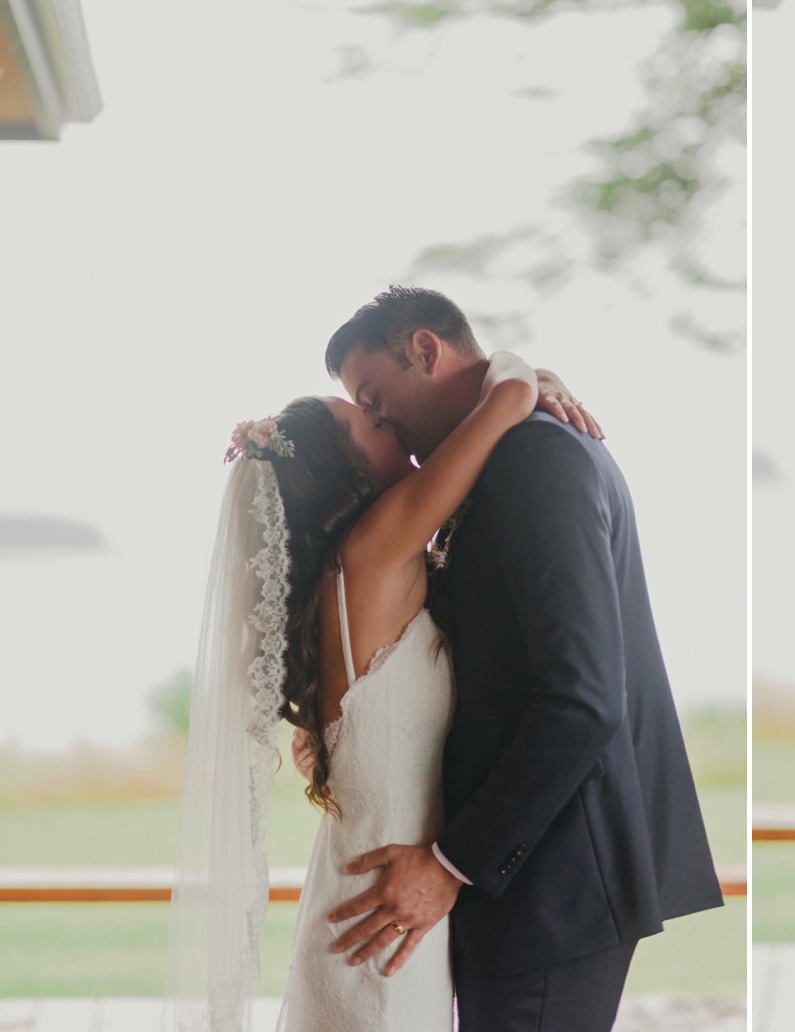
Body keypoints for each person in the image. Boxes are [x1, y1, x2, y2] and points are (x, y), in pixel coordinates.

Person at [164, 315, 602, 1031]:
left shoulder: (358, 571)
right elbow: (506, 402)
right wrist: (521, 372)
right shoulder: (374, 550)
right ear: (350, 469)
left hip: (375, 901)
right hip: (383, 915)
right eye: (360, 418)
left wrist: (515, 392)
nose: (379, 416)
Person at [319, 287, 723, 1032]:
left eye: (375, 397)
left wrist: (451, 864)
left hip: (552, 877)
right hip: (527, 871)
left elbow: (584, 698)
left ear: (426, 350)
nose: (381, 421)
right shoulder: (501, 453)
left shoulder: (534, 458)